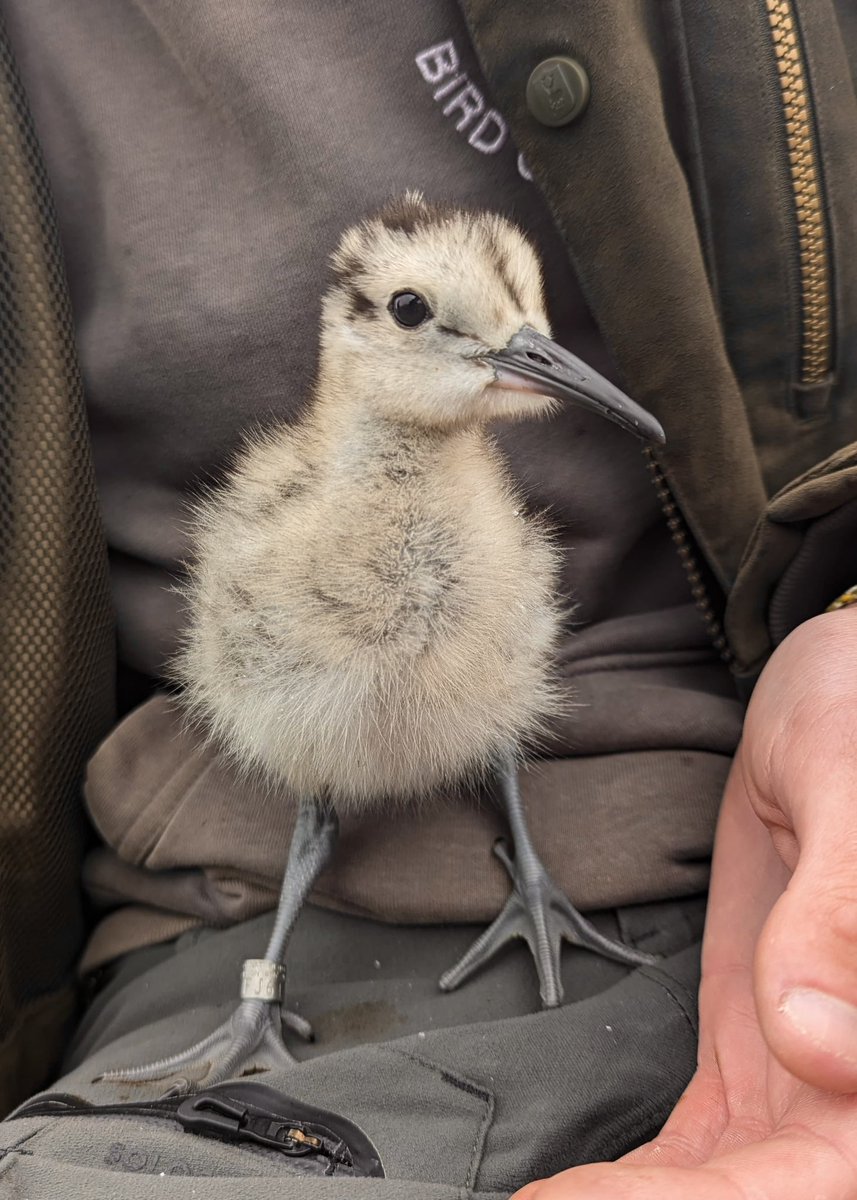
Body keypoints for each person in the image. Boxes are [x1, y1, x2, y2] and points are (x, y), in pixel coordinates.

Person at [1, 1, 856, 1196]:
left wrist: (845, 617)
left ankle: (530, 884)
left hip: (719, 817)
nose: (518, 356)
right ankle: (262, 993)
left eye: (521, 334)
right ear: (355, 328)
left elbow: (497, 665)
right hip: (191, 899)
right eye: (418, 317)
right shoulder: (286, 515)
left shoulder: (481, 497)